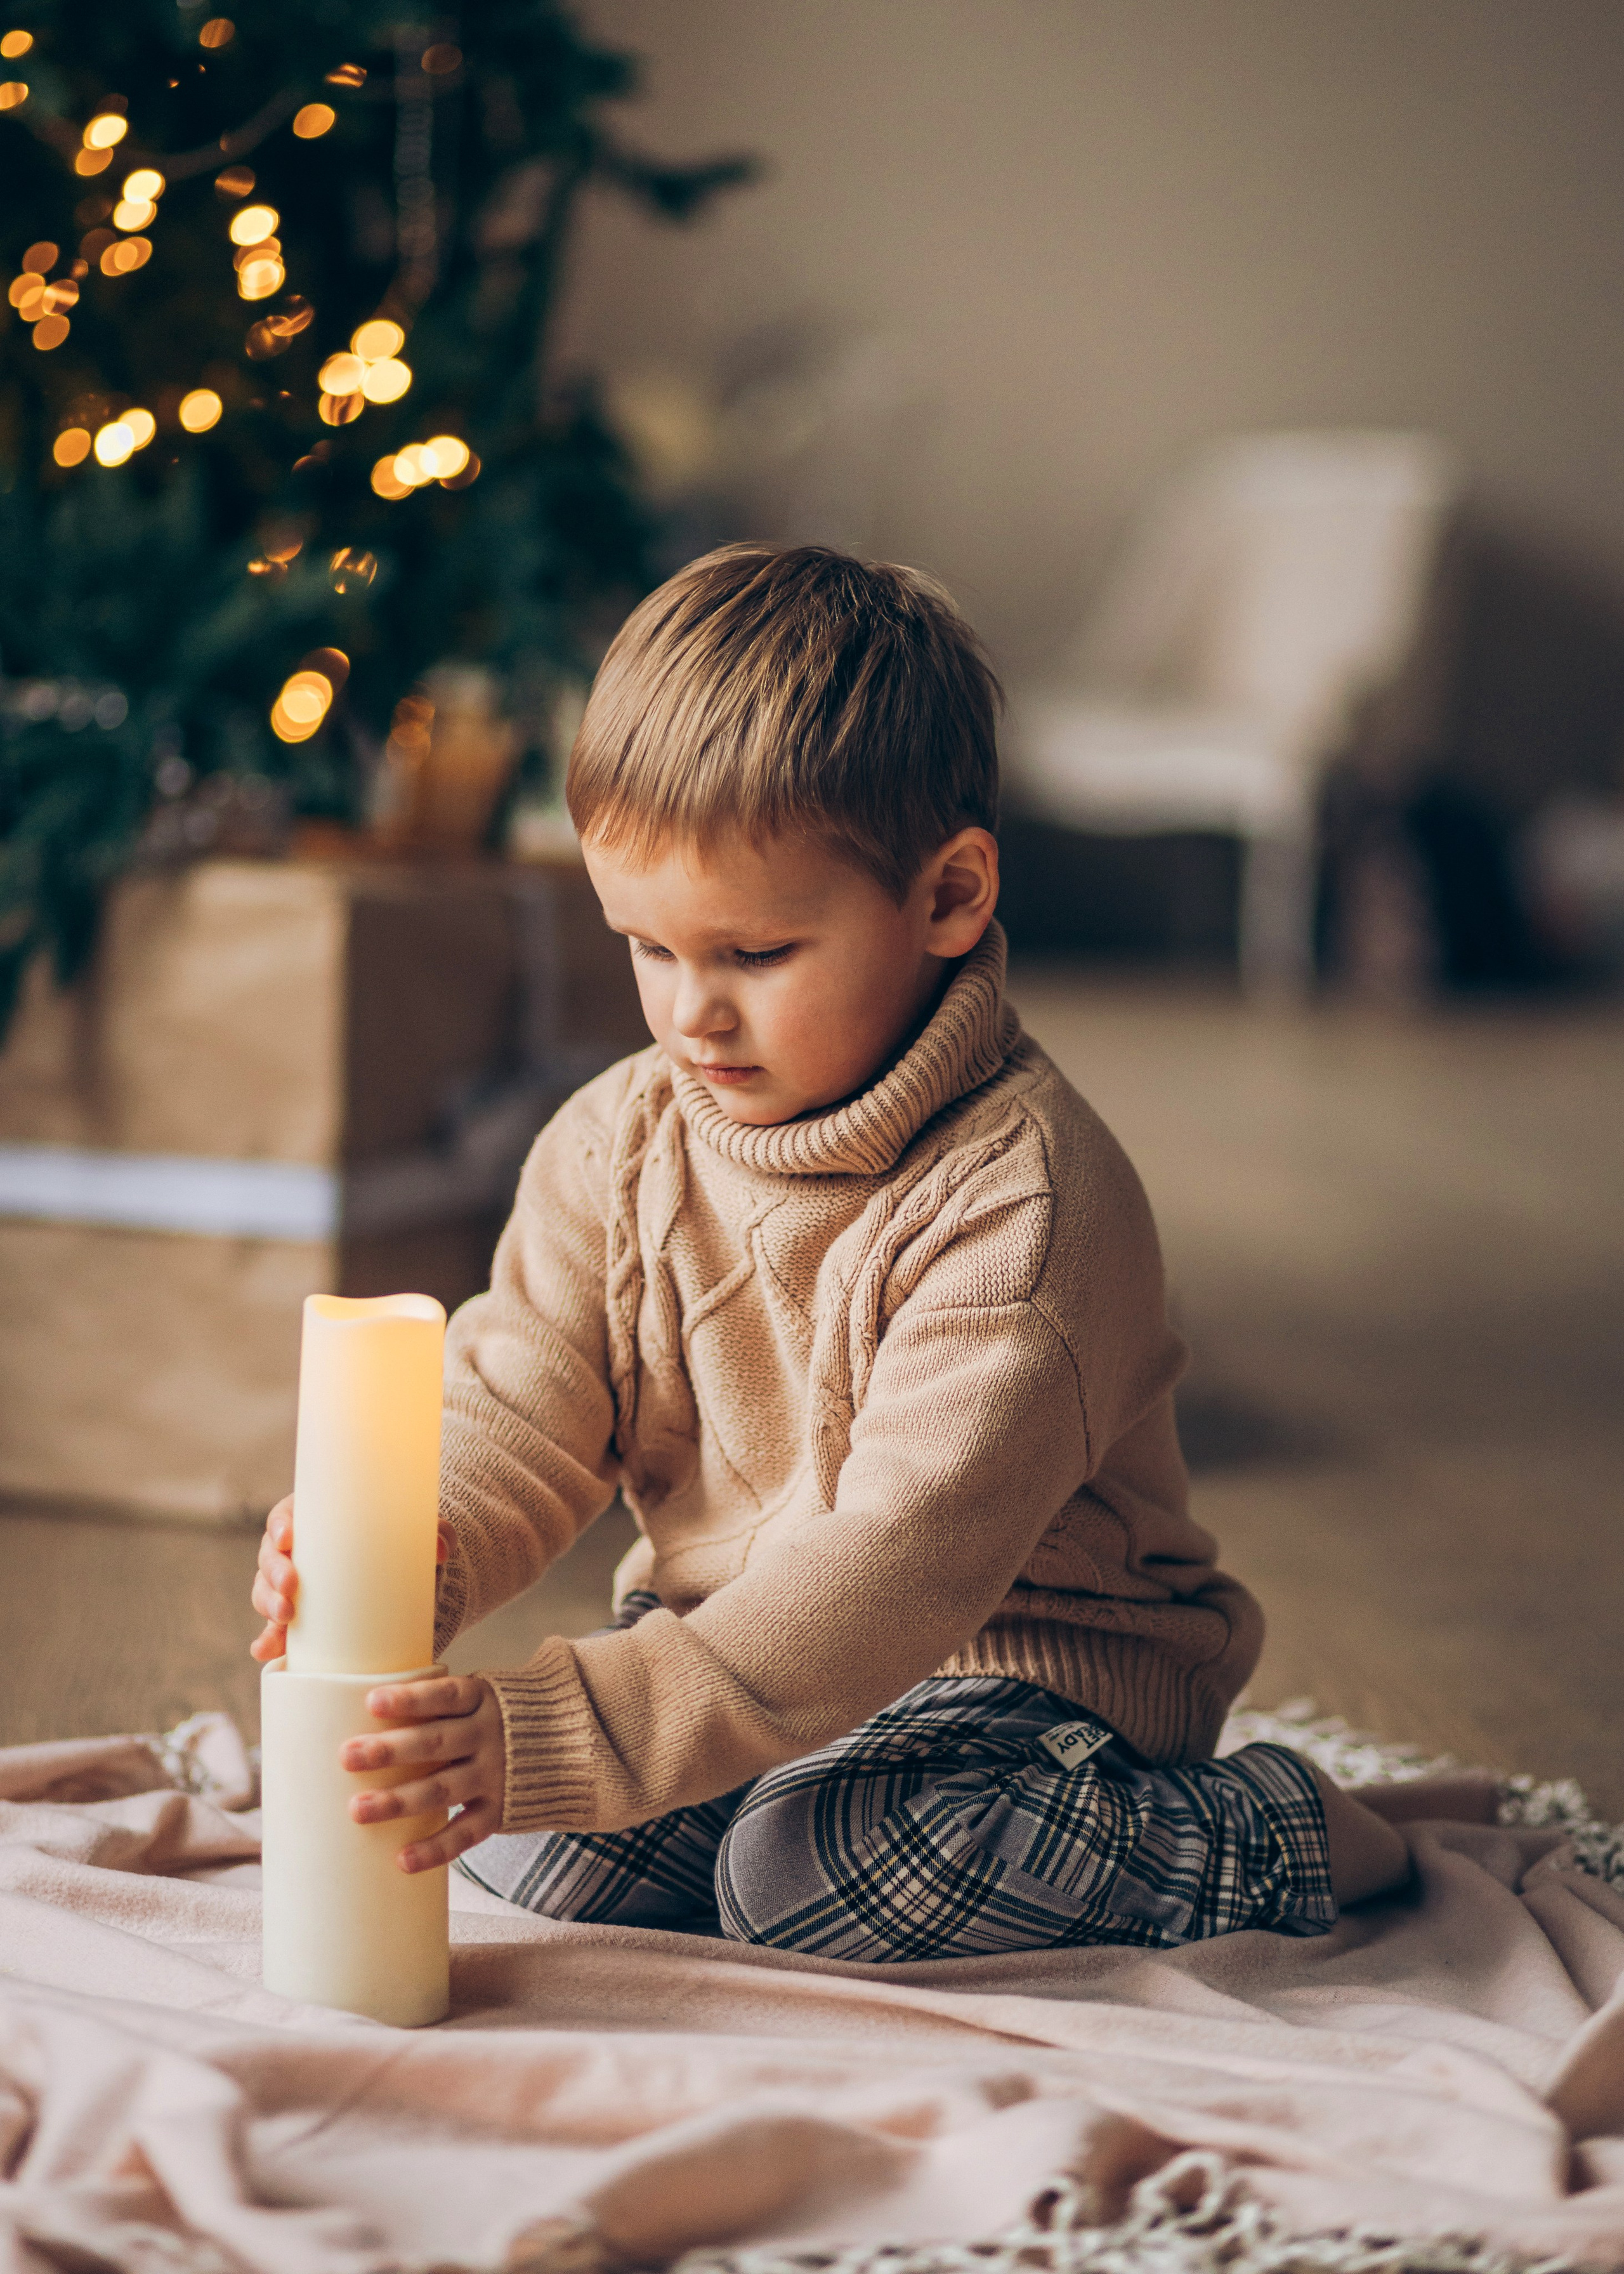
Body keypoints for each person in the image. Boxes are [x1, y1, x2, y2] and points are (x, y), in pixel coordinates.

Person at [251, 542, 1415, 1962]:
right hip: (747, 1648)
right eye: (648, 947)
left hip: (1020, 1677)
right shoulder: (613, 1141)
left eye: (753, 955)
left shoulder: (1028, 1205)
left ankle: (1270, 1828)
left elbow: (888, 1573)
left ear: (948, 898)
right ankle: (745, 1796)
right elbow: (517, 1406)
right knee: (522, 1839)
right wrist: (404, 1548)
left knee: (812, 1869)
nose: (691, 1016)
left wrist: (571, 1728)